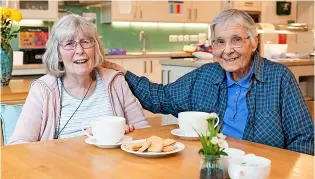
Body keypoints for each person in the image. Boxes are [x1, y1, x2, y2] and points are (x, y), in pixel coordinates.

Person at [104, 9, 314, 155]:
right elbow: (160, 98)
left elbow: (304, 138)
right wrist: (125, 74)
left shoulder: (279, 78)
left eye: (237, 39)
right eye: (220, 42)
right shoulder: (205, 76)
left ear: (253, 42)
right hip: (213, 166)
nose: (227, 50)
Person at [8, 14, 149, 145]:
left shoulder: (115, 82)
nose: (80, 50)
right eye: (69, 44)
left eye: (85, 42)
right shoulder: (43, 90)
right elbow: (19, 144)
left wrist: (121, 133)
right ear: (58, 54)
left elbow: (144, 132)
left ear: (95, 48)